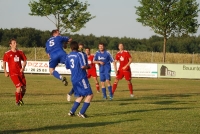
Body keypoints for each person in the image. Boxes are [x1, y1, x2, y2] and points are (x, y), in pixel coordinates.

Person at [65, 41, 93, 118]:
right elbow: (83, 66)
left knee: (81, 95)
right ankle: (81, 113)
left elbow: (67, 67)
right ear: (77, 47)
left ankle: (71, 112)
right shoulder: (80, 54)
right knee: (90, 94)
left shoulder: (68, 55)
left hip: (73, 78)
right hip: (81, 77)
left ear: (70, 48)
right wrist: (89, 66)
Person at [3, 38, 27, 106]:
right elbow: (4, 63)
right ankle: (17, 102)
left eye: (16, 43)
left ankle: (19, 99)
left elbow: (25, 60)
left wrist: (23, 68)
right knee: (19, 87)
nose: (15, 44)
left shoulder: (20, 52)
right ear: (10, 45)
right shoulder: (7, 53)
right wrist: (5, 71)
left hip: (20, 72)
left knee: (24, 89)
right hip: (13, 73)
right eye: (14, 43)